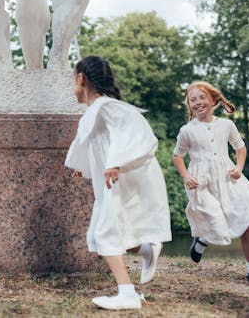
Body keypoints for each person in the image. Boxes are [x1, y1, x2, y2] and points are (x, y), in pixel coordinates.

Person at [65, 56, 172, 310]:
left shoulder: (107, 106)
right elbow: (95, 144)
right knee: (105, 232)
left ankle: (127, 294)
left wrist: (116, 162)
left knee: (106, 232)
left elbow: (135, 133)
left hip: (120, 176)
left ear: (81, 79)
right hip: (112, 179)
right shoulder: (96, 111)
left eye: (72, 80)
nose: (72, 87)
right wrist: (85, 167)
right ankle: (146, 249)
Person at [172, 81, 249, 284]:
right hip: (201, 182)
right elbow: (177, 156)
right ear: (189, 105)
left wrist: (239, 167)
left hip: (228, 178)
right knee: (216, 221)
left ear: (213, 100)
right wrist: (185, 176)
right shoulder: (187, 131)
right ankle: (203, 238)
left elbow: (240, 148)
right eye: (193, 100)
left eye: (202, 97)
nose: (198, 102)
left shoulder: (227, 125)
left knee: (245, 222)